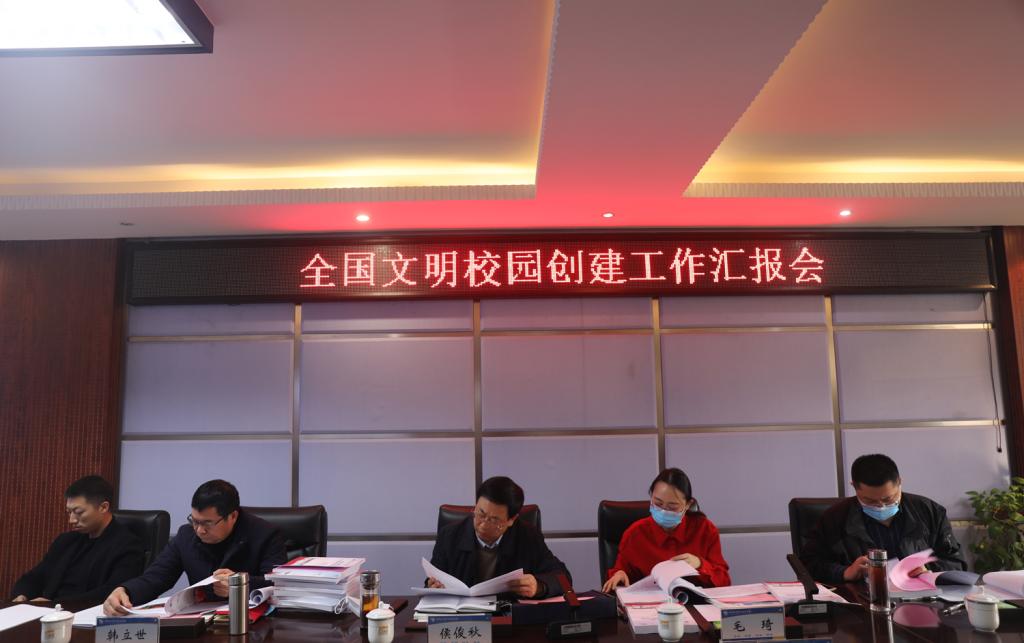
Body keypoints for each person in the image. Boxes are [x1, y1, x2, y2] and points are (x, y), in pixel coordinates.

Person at [103, 479, 286, 615]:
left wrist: (240, 585)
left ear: (232, 516)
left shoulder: (265, 535)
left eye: (207, 523)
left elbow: (278, 585)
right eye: (195, 521)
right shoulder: (186, 536)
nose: (199, 530)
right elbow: (156, 577)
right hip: (202, 622)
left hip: (253, 624)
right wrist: (126, 591)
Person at [800, 453, 966, 585]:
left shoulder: (929, 512)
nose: (881, 506)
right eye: (870, 501)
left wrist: (929, 571)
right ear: (854, 487)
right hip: (861, 603)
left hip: (922, 600)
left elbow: (956, 563)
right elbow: (808, 565)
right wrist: (845, 572)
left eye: (889, 498)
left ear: (900, 483)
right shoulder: (835, 518)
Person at [428, 476, 571, 599]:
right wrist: (434, 586)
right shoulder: (449, 535)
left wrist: (539, 586)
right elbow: (432, 581)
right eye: (481, 514)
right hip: (463, 617)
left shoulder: (528, 537)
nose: (483, 525)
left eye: (494, 520)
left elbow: (564, 578)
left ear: (511, 520)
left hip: (509, 616)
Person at [10, 476, 144, 604]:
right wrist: (23, 595)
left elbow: (111, 592)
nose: (72, 520)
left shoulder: (127, 545)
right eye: (69, 512)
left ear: (103, 507)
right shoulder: (66, 541)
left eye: (79, 512)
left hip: (84, 614)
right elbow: (35, 577)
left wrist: (54, 605)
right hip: (50, 612)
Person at [602, 468, 731, 592]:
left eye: (672, 507)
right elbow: (620, 573)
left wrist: (700, 564)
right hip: (650, 604)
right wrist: (619, 574)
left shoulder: (705, 530)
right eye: (658, 503)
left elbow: (724, 581)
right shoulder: (634, 534)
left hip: (694, 603)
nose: (664, 511)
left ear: (688, 505)